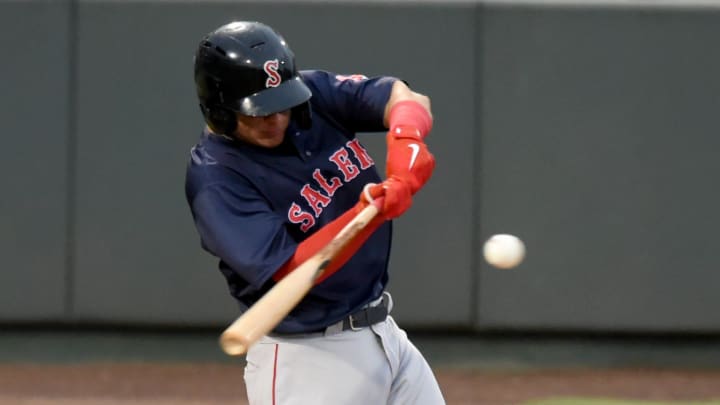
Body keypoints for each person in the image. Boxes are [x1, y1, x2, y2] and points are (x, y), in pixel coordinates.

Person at [185, 20, 445, 405]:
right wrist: (368, 213)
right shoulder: (216, 179)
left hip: (383, 331)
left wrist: (407, 138)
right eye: (259, 111)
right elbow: (291, 269)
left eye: (281, 105)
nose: (276, 118)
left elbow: (403, 97)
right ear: (220, 112)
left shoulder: (307, 94)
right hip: (306, 360)